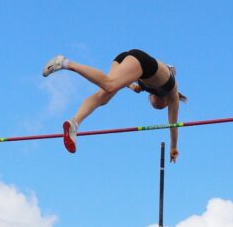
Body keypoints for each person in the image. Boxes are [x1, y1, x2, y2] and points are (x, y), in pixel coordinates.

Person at [41, 50, 185, 160]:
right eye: (159, 106)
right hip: (140, 60)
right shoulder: (173, 93)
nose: (153, 104)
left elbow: (125, 76)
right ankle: (65, 63)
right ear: (165, 100)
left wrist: (130, 86)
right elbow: (173, 125)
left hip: (127, 60)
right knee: (110, 85)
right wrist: (173, 148)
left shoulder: (146, 86)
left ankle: (74, 123)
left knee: (103, 97)